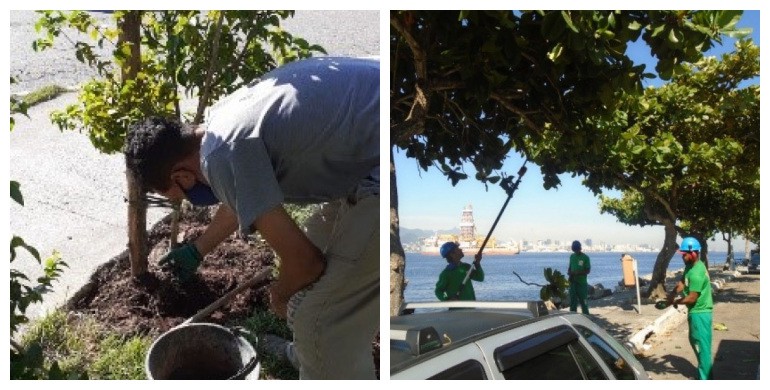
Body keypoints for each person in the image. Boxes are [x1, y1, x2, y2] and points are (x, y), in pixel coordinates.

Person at [124, 57, 380, 379]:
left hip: (383, 169)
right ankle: (309, 355)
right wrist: (198, 249)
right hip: (365, 156)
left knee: (318, 319)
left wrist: (279, 295)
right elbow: (244, 195)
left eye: (177, 195)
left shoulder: (221, 157)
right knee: (313, 255)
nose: (185, 200)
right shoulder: (218, 124)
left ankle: (328, 353)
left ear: (182, 176)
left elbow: (306, 263)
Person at [665, 236, 713, 380]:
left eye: (684, 254)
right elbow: (682, 282)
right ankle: (704, 374)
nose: (682, 257)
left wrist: (675, 302)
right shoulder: (690, 266)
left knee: (702, 348)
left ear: (693, 253)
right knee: (695, 341)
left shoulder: (697, 272)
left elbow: (692, 298)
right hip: (695, 312)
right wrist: (672, 294)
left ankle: (706, 379)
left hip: (700, 314)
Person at [568, 240, 591, 314]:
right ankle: (572, 315)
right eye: (575, 250)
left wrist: (578, 273)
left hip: (581, 283)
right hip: (572, 282)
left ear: (580, 248)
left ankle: (586, 316)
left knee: (584, 301)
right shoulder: (572, 256)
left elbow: (588, 271)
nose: (576, 252)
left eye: (577, 250)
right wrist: (569, 273)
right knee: (573, 301)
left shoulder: (585, 257)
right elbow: (570, 267)